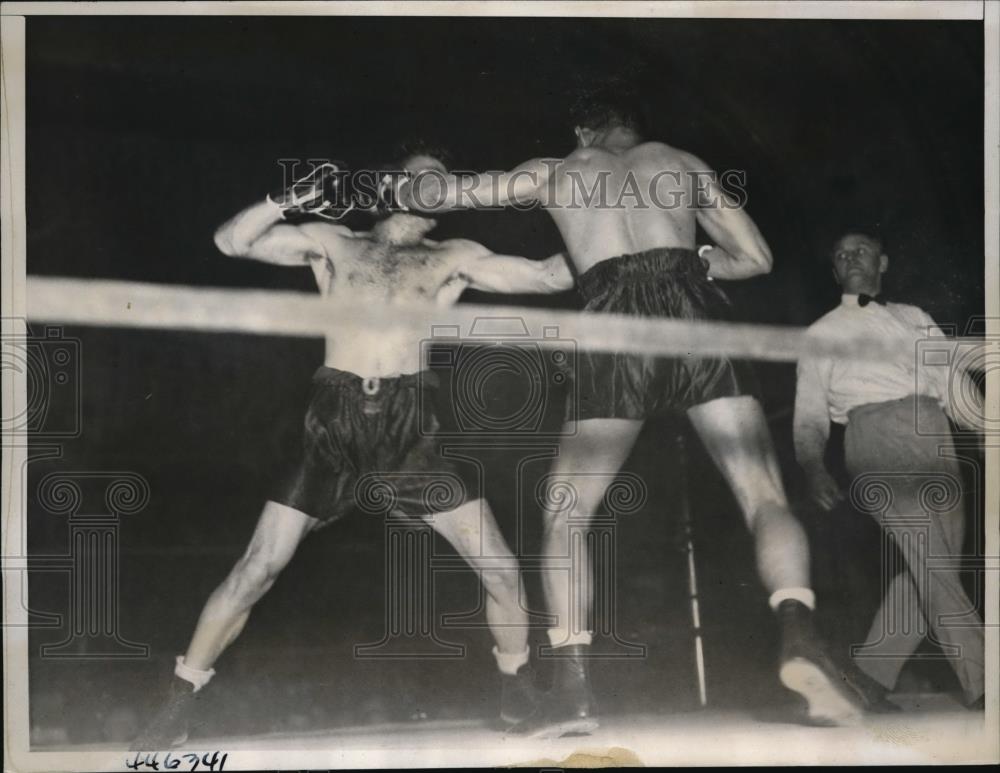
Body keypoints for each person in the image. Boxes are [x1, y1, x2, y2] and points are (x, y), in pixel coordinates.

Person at [394, 86, 864, 735]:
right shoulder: (683, 163)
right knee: (763, 493)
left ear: (582, 132)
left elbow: (444, 196)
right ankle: (800, 634)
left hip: (614, 319)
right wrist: (698, 260)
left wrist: (410, 180)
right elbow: (757, 259)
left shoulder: (558, 170)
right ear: (634, 129)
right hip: (694, 311)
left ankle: (574, 690)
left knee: (566, 512)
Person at [131, 149, 575, 750]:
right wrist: (287, 200)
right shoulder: (333, 242)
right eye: (421, 177)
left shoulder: (455, 256)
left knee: (499, 566)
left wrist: (606, 232)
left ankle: (516, 690)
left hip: (412, 430)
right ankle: (177, 702)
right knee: (257, 567)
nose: (432, 188)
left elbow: (549, 276)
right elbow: (232, 242)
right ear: (391, 184)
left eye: (442, 183)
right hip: (332, 426)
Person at [793, 231, 985, 711]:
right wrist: (813, 465)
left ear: (883, 262)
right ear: (835, 272)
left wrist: (987, 431)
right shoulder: (821, 333)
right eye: (841, 255)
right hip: (875, 436)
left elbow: (951, 379)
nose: (850, 258)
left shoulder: (914, 317)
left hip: (934, 433)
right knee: (933, 565)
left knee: (936, 568)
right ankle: (986, 681)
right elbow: (810, 412)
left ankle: (869, 675)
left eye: (860, 250)